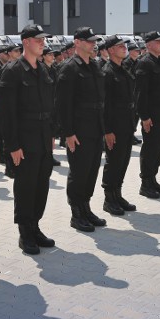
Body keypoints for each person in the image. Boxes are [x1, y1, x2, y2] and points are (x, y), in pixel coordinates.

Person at [0, 24, 56, 254]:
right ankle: (24, 233)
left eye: (43, 39)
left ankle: (35, 226)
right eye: (38, 39)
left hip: (42, 138)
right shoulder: (12, 70)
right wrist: (12, 145)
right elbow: (5, 112)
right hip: (24, 140)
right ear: (26, 42)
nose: (42, 43)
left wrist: (51, 134)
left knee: (41, 186)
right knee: (25, 187)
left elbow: (49, 105)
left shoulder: (42, 69)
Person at [56, 27, 107, 232]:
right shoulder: (69, 68)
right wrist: (68, 133)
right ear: (77, 42)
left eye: (94, 41)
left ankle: (86, 207)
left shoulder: (94, 66)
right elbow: (62, 104)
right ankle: (76, 213)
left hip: (96, 128)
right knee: (79, 172)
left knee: (92, 171)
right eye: (88, 41)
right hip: (79, 130)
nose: (93, 44)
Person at [100, 35, 138, 216]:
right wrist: (107, 130)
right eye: (119, 46)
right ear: (110, 50)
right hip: (115, 125)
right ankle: (109, 199)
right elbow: (104, 105)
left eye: (124, 45)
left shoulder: (123, 69)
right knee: (113, 162)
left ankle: (118, 194)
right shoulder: (107, 72)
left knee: (123, 161)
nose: (124, 48)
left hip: (126, 123)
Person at [135, 31, 160, 199]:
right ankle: (145, 183)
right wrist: (144, 116)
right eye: (158, 42)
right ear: (149, 45)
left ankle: (152, 179)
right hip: (152, 115)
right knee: (150, 149)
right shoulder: (145, 63)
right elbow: (141, 93)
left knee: (159, 148)